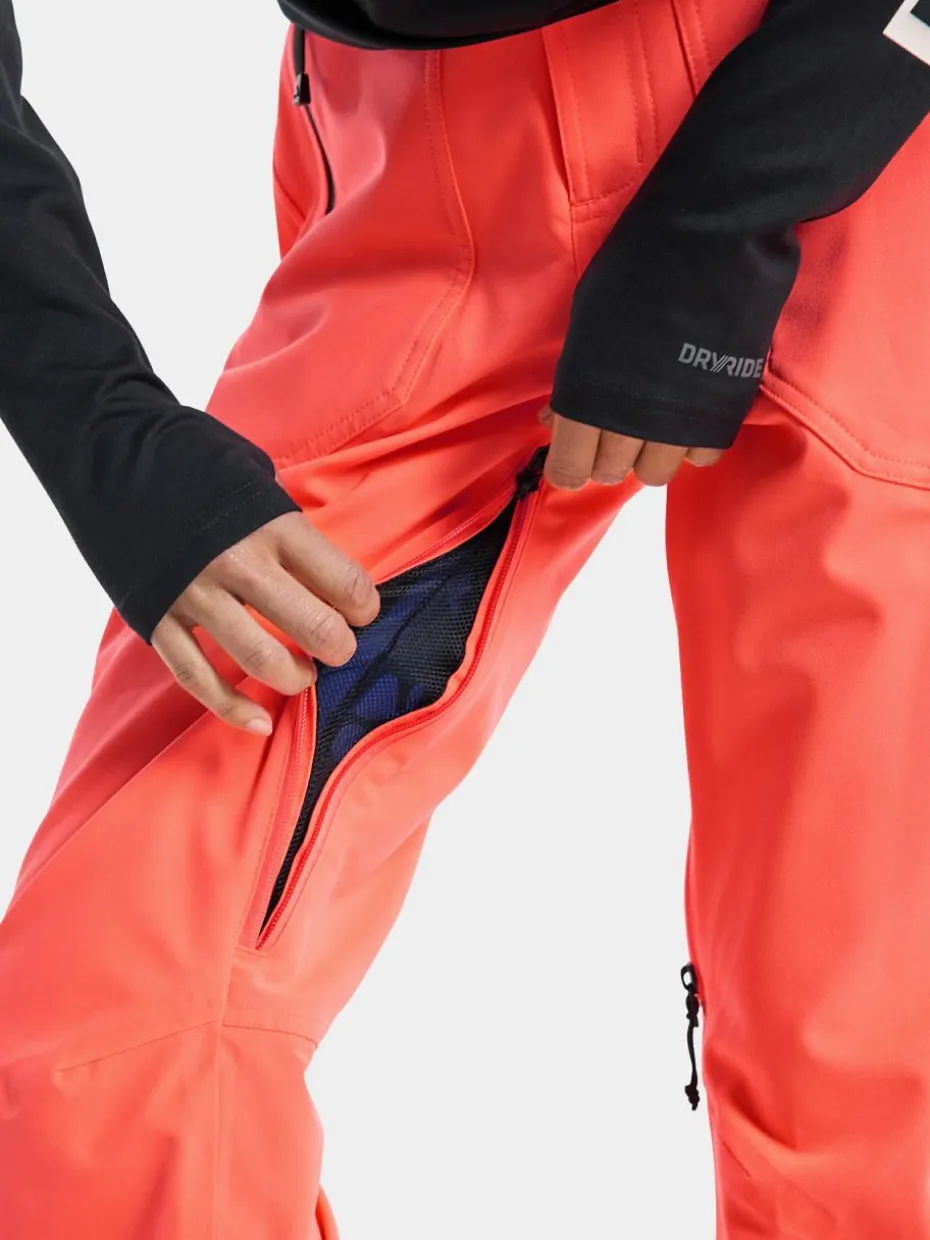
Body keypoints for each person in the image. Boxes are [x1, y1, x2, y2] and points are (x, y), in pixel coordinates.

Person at [1, 0, 929, 1234]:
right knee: (117, 1036)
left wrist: (740, 194)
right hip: (443, 141)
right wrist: (101, 429)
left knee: (859, 1047)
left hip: (870, 113)